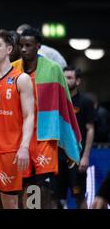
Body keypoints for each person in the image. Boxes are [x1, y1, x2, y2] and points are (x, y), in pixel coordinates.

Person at [12, 27, 81, 209]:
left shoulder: (53, 69)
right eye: (21, 46)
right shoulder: (13, 69)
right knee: (23, 183)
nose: (24, 49)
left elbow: (65, 105)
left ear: (38, 46)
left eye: (29, 45)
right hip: (20, 136)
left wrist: (70, 139)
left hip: (45, 136)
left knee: (44, 184)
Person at [0, 30, 35, 208]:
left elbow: (29, 116)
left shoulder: (21, 79)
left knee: (9, 201)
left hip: (9, 149)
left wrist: (24, 147)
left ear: (9, 49)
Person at [56, 66, 95, 209]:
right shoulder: (56, 102)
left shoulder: (85, 102)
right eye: (64, 77)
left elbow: (90, 130)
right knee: (55, 199)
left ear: (78, 81)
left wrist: (85, 156)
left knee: (79, 198)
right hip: (58, 157)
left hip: (76, 157)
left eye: (70, 78)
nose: (66, 81)